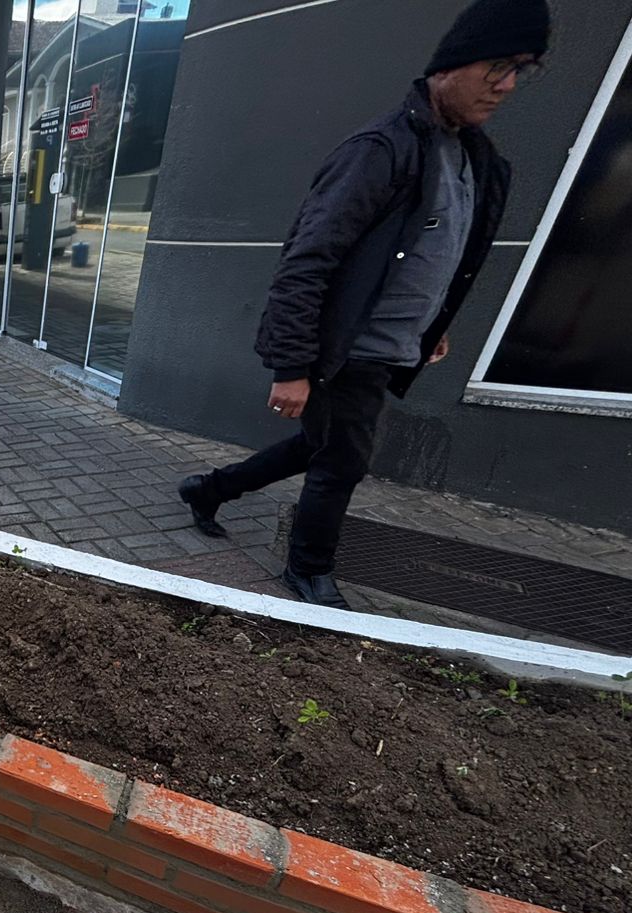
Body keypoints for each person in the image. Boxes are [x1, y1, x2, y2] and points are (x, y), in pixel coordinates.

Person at [178, 0, 549, 608]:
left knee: (319, 445)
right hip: (345, 348)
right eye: (498, 67)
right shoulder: (382, 150)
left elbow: (442, 252)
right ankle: (308, 570)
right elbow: (307, 258)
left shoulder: (472, 157)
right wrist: (291, 366)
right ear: (452, 63)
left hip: (386, 346)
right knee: (342, 464)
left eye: (522, 71)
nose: (507, 86)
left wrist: (433, 326)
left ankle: (209, 490)